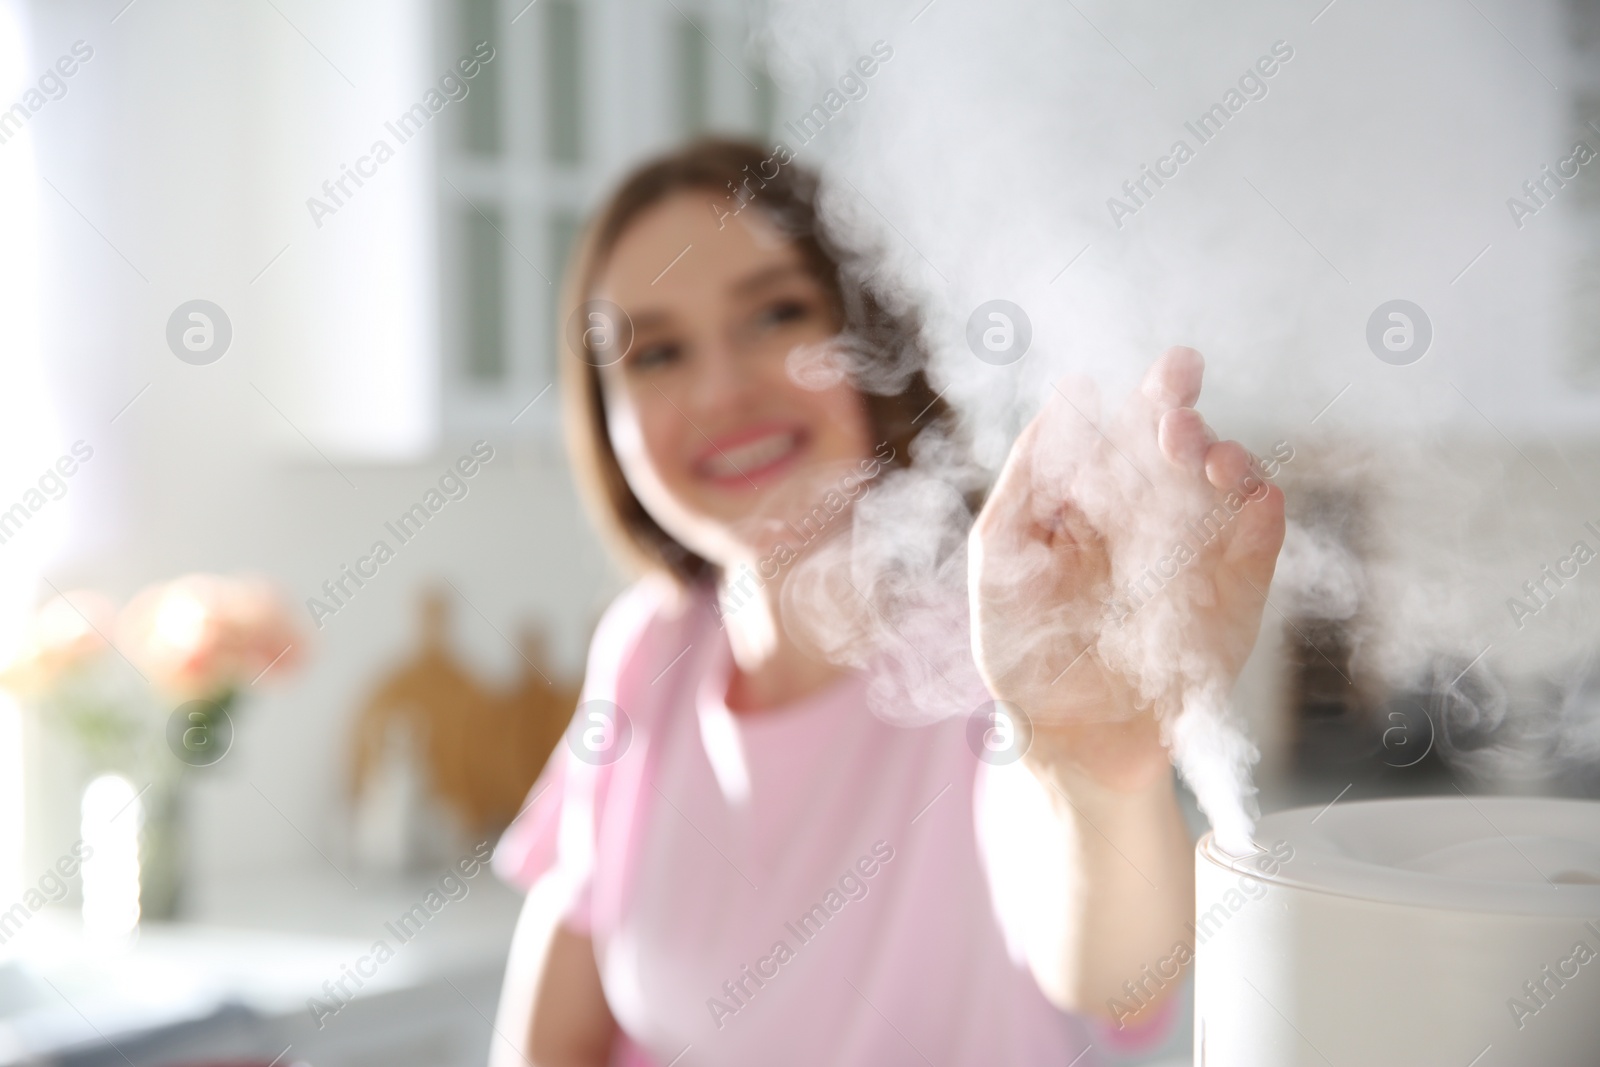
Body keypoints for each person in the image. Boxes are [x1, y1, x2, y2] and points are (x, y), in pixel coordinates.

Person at [488, 139, 1285, 1066]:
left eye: (777, 314)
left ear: (873, 334)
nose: (721, 390)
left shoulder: (998, 638)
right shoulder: (644, 654)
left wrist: (1093, 773)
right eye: (657, 351)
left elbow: (1116, 976)